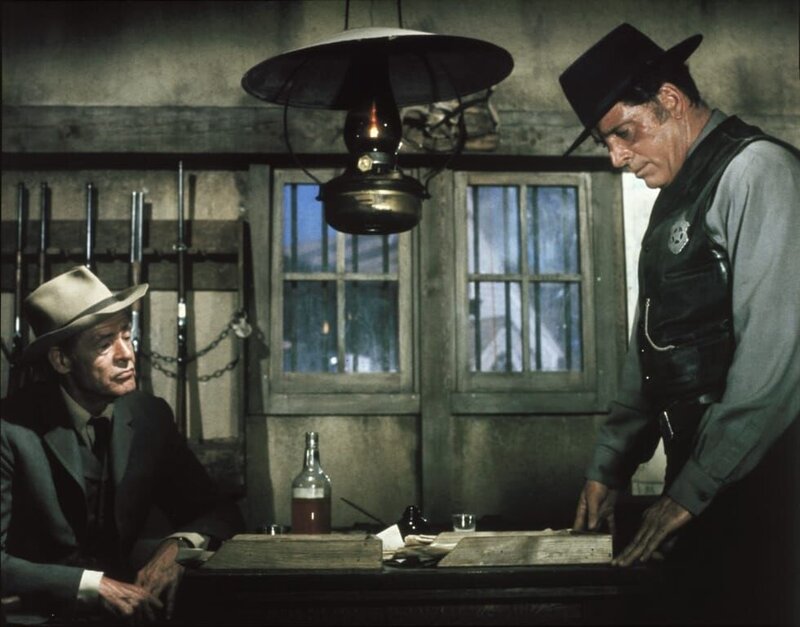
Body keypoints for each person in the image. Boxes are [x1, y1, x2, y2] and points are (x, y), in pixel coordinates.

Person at [559, 23, 800, 624]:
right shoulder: (674, 200)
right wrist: (610, 464)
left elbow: (775, 356)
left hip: (769, 486)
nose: (617, 157)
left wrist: (691, 491)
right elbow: (650, 341)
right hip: (707, 482)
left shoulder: (758, 172)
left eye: (623, 133)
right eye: (607, 142)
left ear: (669, 100)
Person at [1, 266, 244, 623]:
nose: (126, 354)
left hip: (124, 616)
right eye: (104, 343)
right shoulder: (9, 427)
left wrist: (177, 547)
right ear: (61, 360)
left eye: (126, 336)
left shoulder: (148, 416)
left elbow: (217, 511)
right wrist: (90, 585)